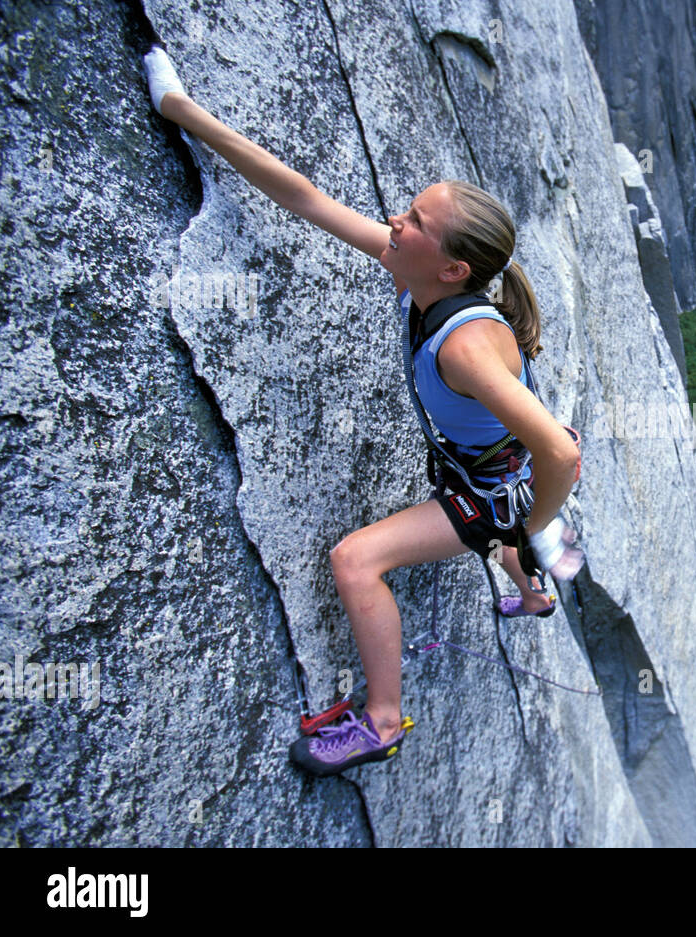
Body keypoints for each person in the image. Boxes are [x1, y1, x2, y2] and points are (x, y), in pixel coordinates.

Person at [144, 47, 584, 775]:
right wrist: (180, 109)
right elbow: (304, 198)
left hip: (494, 490)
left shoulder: (468, 348)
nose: (392, 220)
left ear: (452, 269)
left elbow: (561, 456)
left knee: (355, 561)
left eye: (412, 220)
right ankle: (531, 585)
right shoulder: (425, 274)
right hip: (493, 464)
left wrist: (528, 524)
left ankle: (382, 720)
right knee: (511, 535)